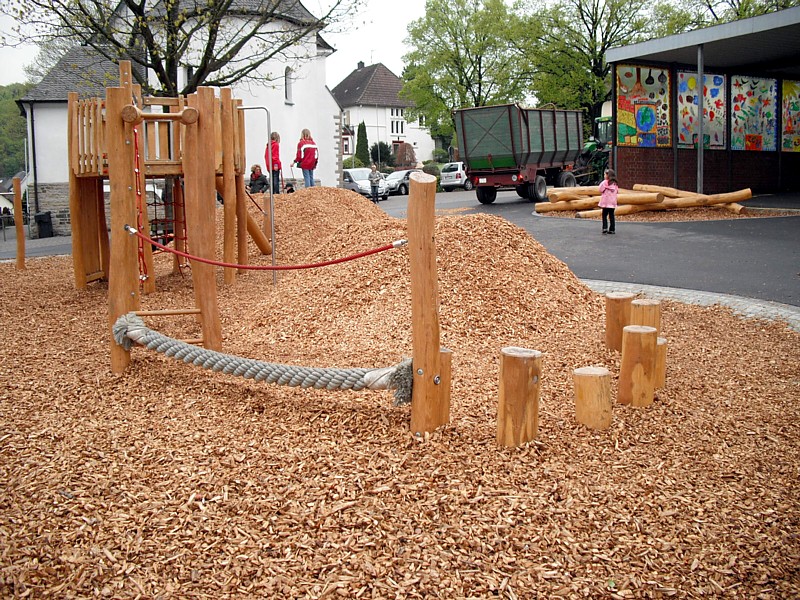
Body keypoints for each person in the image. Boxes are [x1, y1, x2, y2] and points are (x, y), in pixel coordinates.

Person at [598, 168, 619, 234]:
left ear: (608, 175)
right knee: (611, 215)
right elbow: (617, 191)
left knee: (604, 215)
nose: (604, 175)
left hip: (605, 202)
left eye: (605, 174)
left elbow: (600, 189)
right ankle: (612, 229)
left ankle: (605, 228)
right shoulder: (615, 184)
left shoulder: (604, 183)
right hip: (612, 203)